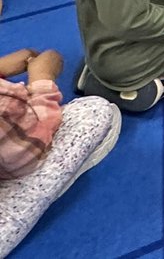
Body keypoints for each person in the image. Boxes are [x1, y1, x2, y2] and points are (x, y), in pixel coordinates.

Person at [0, 47, 122, 255]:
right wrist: (43, 79)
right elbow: (30, 147)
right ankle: (35, 189)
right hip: (19, 162)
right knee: (97, 111)